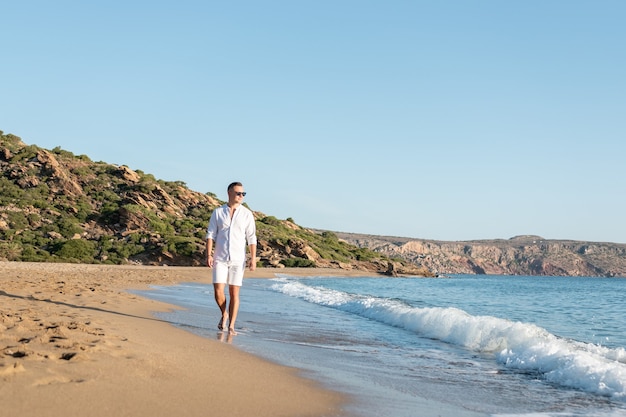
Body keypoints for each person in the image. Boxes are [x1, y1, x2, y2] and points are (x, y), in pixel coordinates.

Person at [205, 181, 257, 335]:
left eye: (243, 194)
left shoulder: (247, 214)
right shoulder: (218, 212)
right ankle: (224, 313)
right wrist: (208, 254)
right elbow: (210, 235)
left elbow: (251, 238)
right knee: (218, 291)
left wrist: (253, 258)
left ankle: (232, 325)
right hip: (219, 258)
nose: (241, 196)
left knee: (234, 292)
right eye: (238, 193)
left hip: (238, 259)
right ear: (229, 193)